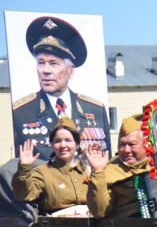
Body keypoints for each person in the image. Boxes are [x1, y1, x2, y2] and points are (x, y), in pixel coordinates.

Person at [12, 16, 110, 160]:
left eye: (53, 63)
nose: (45, 70)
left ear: (70, 70)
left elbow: (106, 162)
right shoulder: (21, 112)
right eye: (41, 63)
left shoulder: (95, 109)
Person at [85, 115, 157, 218]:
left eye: (132, 144)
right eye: (122, 145)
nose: (126, 150)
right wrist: (98, 171)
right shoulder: (108, 171)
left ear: (146, 144)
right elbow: (99, 212)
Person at [11, 116, 89, 215]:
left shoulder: (89, 171)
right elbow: (24, 195)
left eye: (68, 140)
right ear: (52, 145)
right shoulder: (43, 172)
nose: (63, 145)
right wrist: (24, 169)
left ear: (77, 144)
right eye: (57, 141)